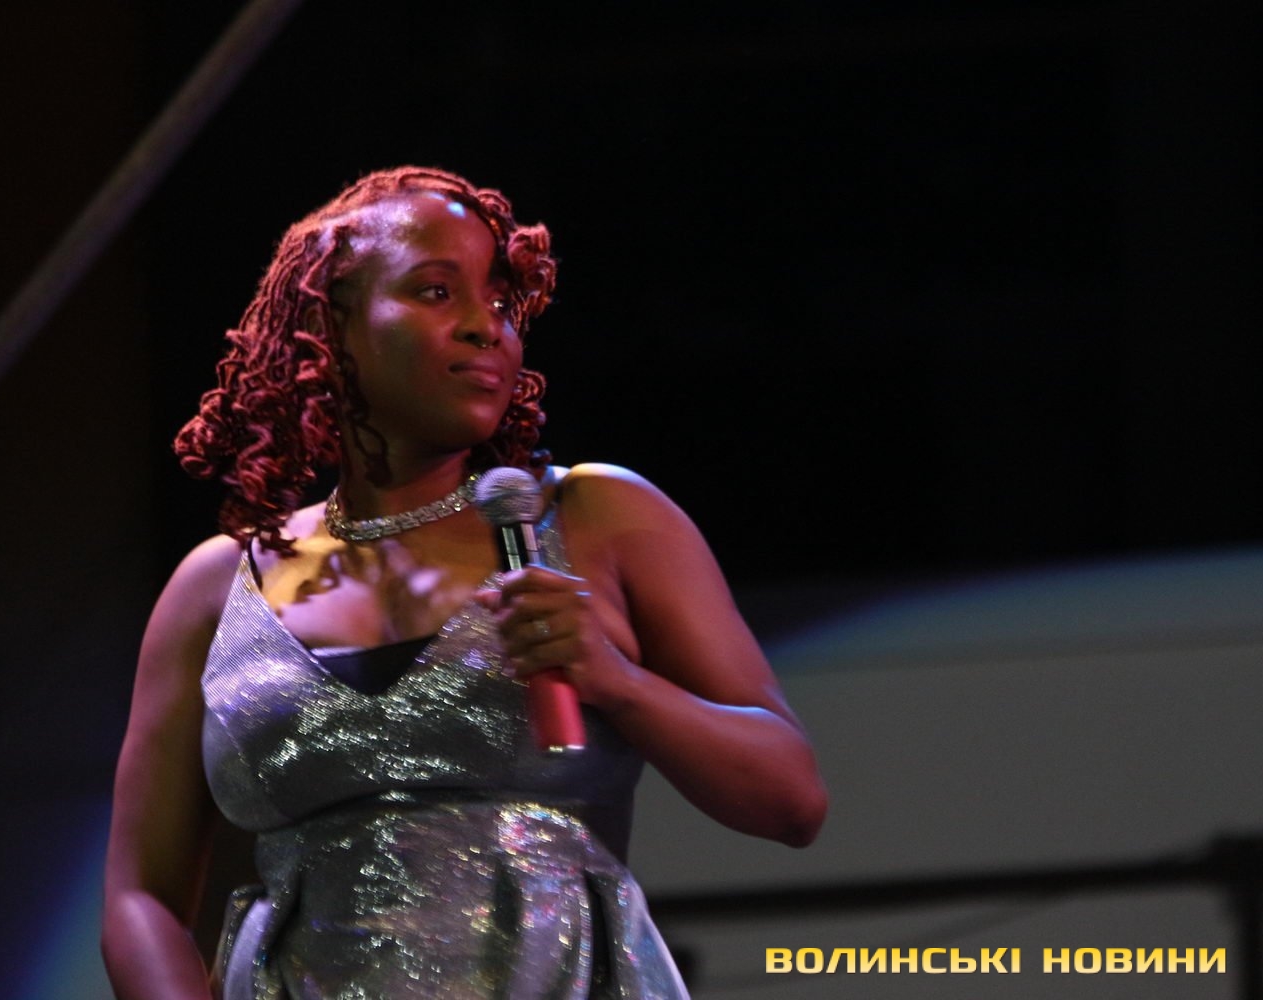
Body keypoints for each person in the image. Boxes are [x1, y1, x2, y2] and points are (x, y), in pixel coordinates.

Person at [101, 164, 828, 1000]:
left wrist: (617, 682)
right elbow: (139, 898)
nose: (488, 326)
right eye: (437, 292)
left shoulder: (593, 517)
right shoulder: (221, 584)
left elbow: (791, 799)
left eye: (502, 301)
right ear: (330, 327)